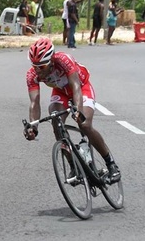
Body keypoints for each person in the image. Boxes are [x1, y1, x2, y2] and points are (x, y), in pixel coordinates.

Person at [24, 38, 121, 183]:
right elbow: (34, 102)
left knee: (85, 124)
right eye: (35, 66)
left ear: (51, 60)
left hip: (82, 88)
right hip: (61, 92)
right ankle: (74, 167)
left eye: (42, 67)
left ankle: (111, 164)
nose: (38, 71)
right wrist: (33, 126)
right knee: (56, 120)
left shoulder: (63, 60)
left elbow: (76, 87)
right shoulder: (32, 75)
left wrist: (78, 111)